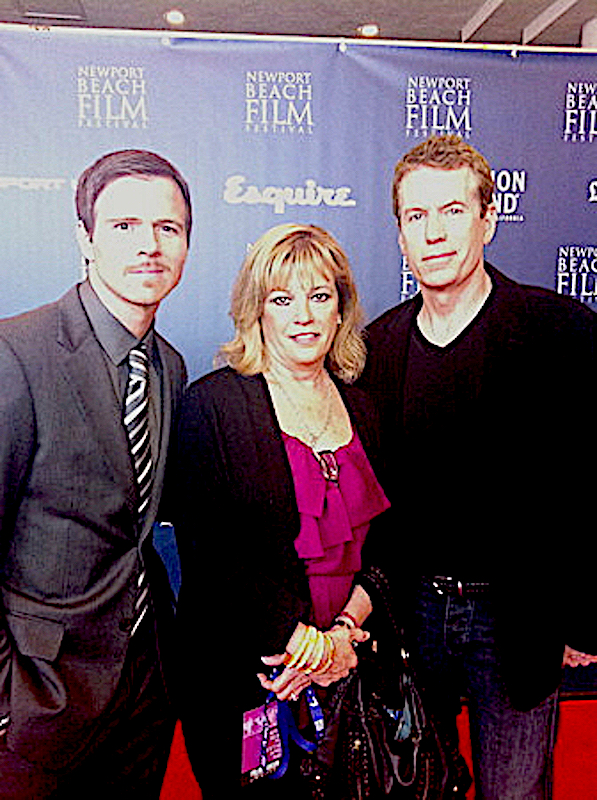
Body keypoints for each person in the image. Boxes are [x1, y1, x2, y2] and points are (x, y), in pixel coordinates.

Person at [356, 134, 597, 799]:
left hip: (517, 614)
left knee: (515, 792)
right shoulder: (377, 348)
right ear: (399, 233)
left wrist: (584, 612)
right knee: (412, 786)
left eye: (452, 211)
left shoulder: (560, 332)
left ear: (487, 220)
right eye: (415, 216)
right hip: (409, 612)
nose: (433, 233)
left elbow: (592, 480)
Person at [173, 223, 390, 798]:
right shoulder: (213, 404)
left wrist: (342, 635)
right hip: (243, 679)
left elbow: (389, 546)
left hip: (348, 672)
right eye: (282, 298)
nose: (304, 315)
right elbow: (208, 553)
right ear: (256, 311)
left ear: (341, 310)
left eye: (320, 296)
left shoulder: (365, 410)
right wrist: (300, 642)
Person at [0, 149, 191, 797]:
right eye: (124, 226)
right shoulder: (15, 354)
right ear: (85, 238)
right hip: (38, 706)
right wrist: (9, 697)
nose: (149, 246)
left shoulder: (169, 365)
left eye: (168, 229)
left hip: (143, 693)